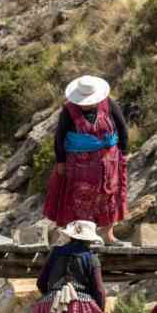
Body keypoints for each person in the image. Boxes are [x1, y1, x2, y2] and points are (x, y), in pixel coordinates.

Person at [44, 75, 129, 245]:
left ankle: (108, 235)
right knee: (80, 199)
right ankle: (80, 237)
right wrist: (60, 161)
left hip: (108, 162)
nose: (86, 104)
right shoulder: (68, 111)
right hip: (79, 166)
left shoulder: (109, 104)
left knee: (108, 197)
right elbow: (59, 137)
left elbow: (121, 127)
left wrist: (123, 152)